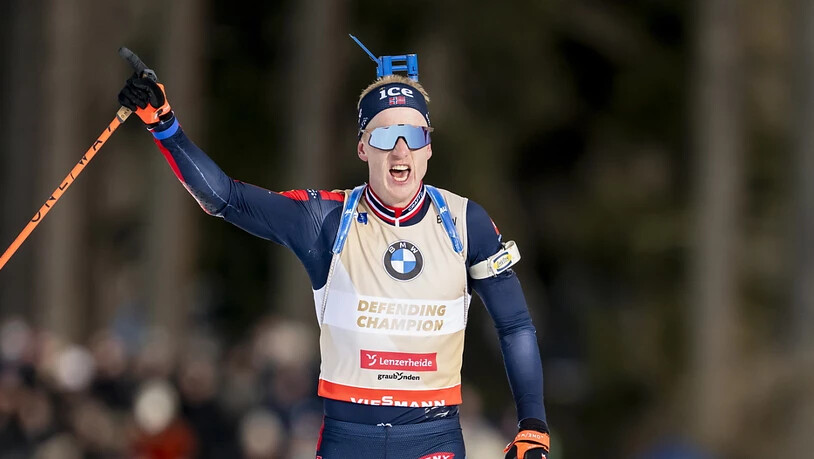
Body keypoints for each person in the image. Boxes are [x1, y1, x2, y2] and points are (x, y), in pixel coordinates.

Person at [117, 54, 550, 459]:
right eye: (384, 135)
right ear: (363, 147)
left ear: (429, 147)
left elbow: (513, 325)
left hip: (432, 438)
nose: (400, 150)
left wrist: (532, 423)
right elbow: (224, 198)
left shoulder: (464, 222)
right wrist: (164, 125)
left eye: (415, 135)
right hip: (349, 439)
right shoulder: (325, 219)